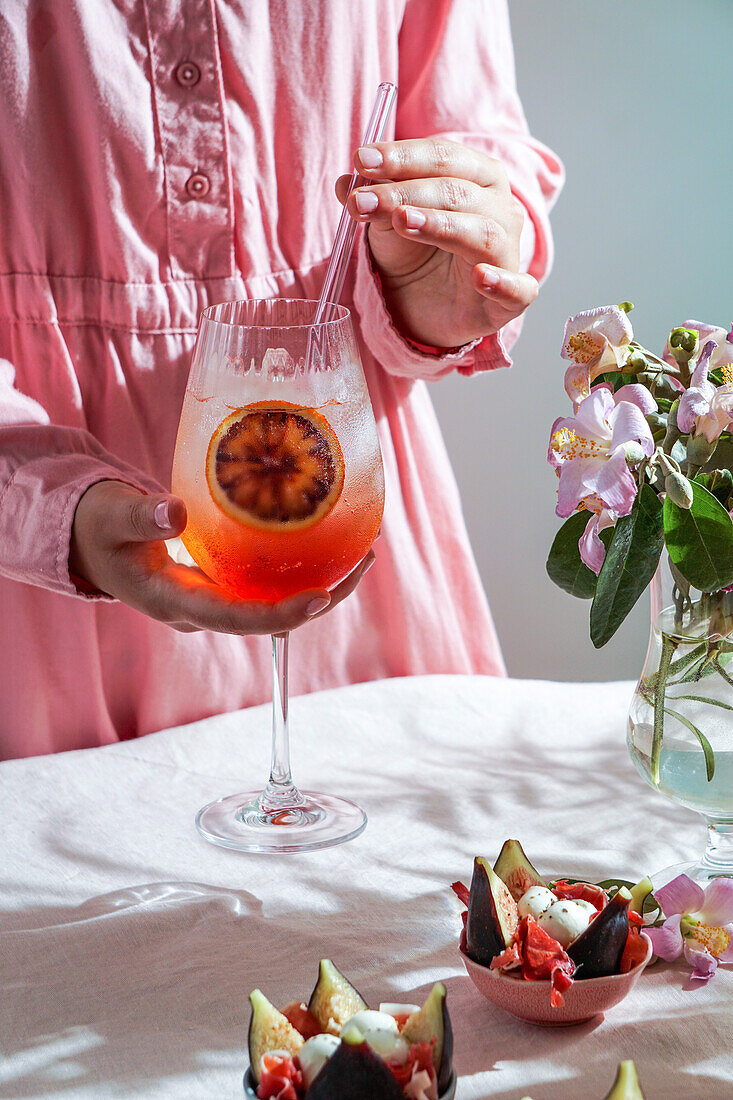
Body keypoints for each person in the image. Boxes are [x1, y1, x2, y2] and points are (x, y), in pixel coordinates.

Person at [0, 0, 562, 758]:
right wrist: (46, 510)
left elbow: (477, 140)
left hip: (342, 499)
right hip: (38, 590)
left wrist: (442, 273)